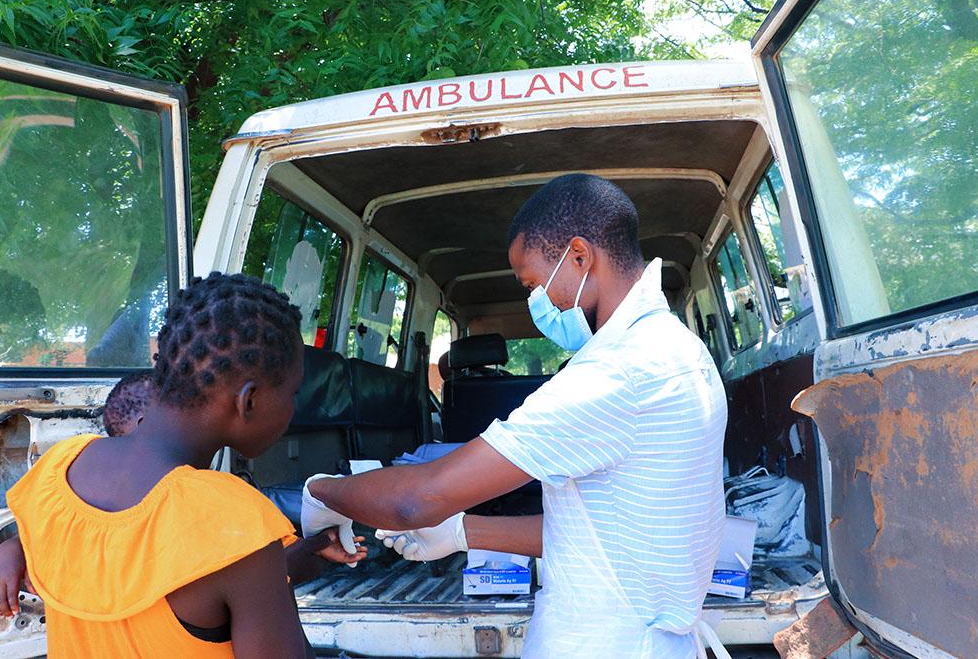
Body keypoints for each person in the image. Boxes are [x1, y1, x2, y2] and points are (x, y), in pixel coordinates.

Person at [302, 174, 729, 658]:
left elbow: (417, 500)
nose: (538, 306)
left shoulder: (616, 374)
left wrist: (320, 492)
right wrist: (463, 533)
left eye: (533, 286)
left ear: (580, 257)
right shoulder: (679, 352)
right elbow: (604, 535)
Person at [0, 273, 366, 657]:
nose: (293, 409)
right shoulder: (231, 518)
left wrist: (289, 561)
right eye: (292, 393)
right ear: (249, 401)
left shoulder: (59, 468)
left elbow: (134, 579)